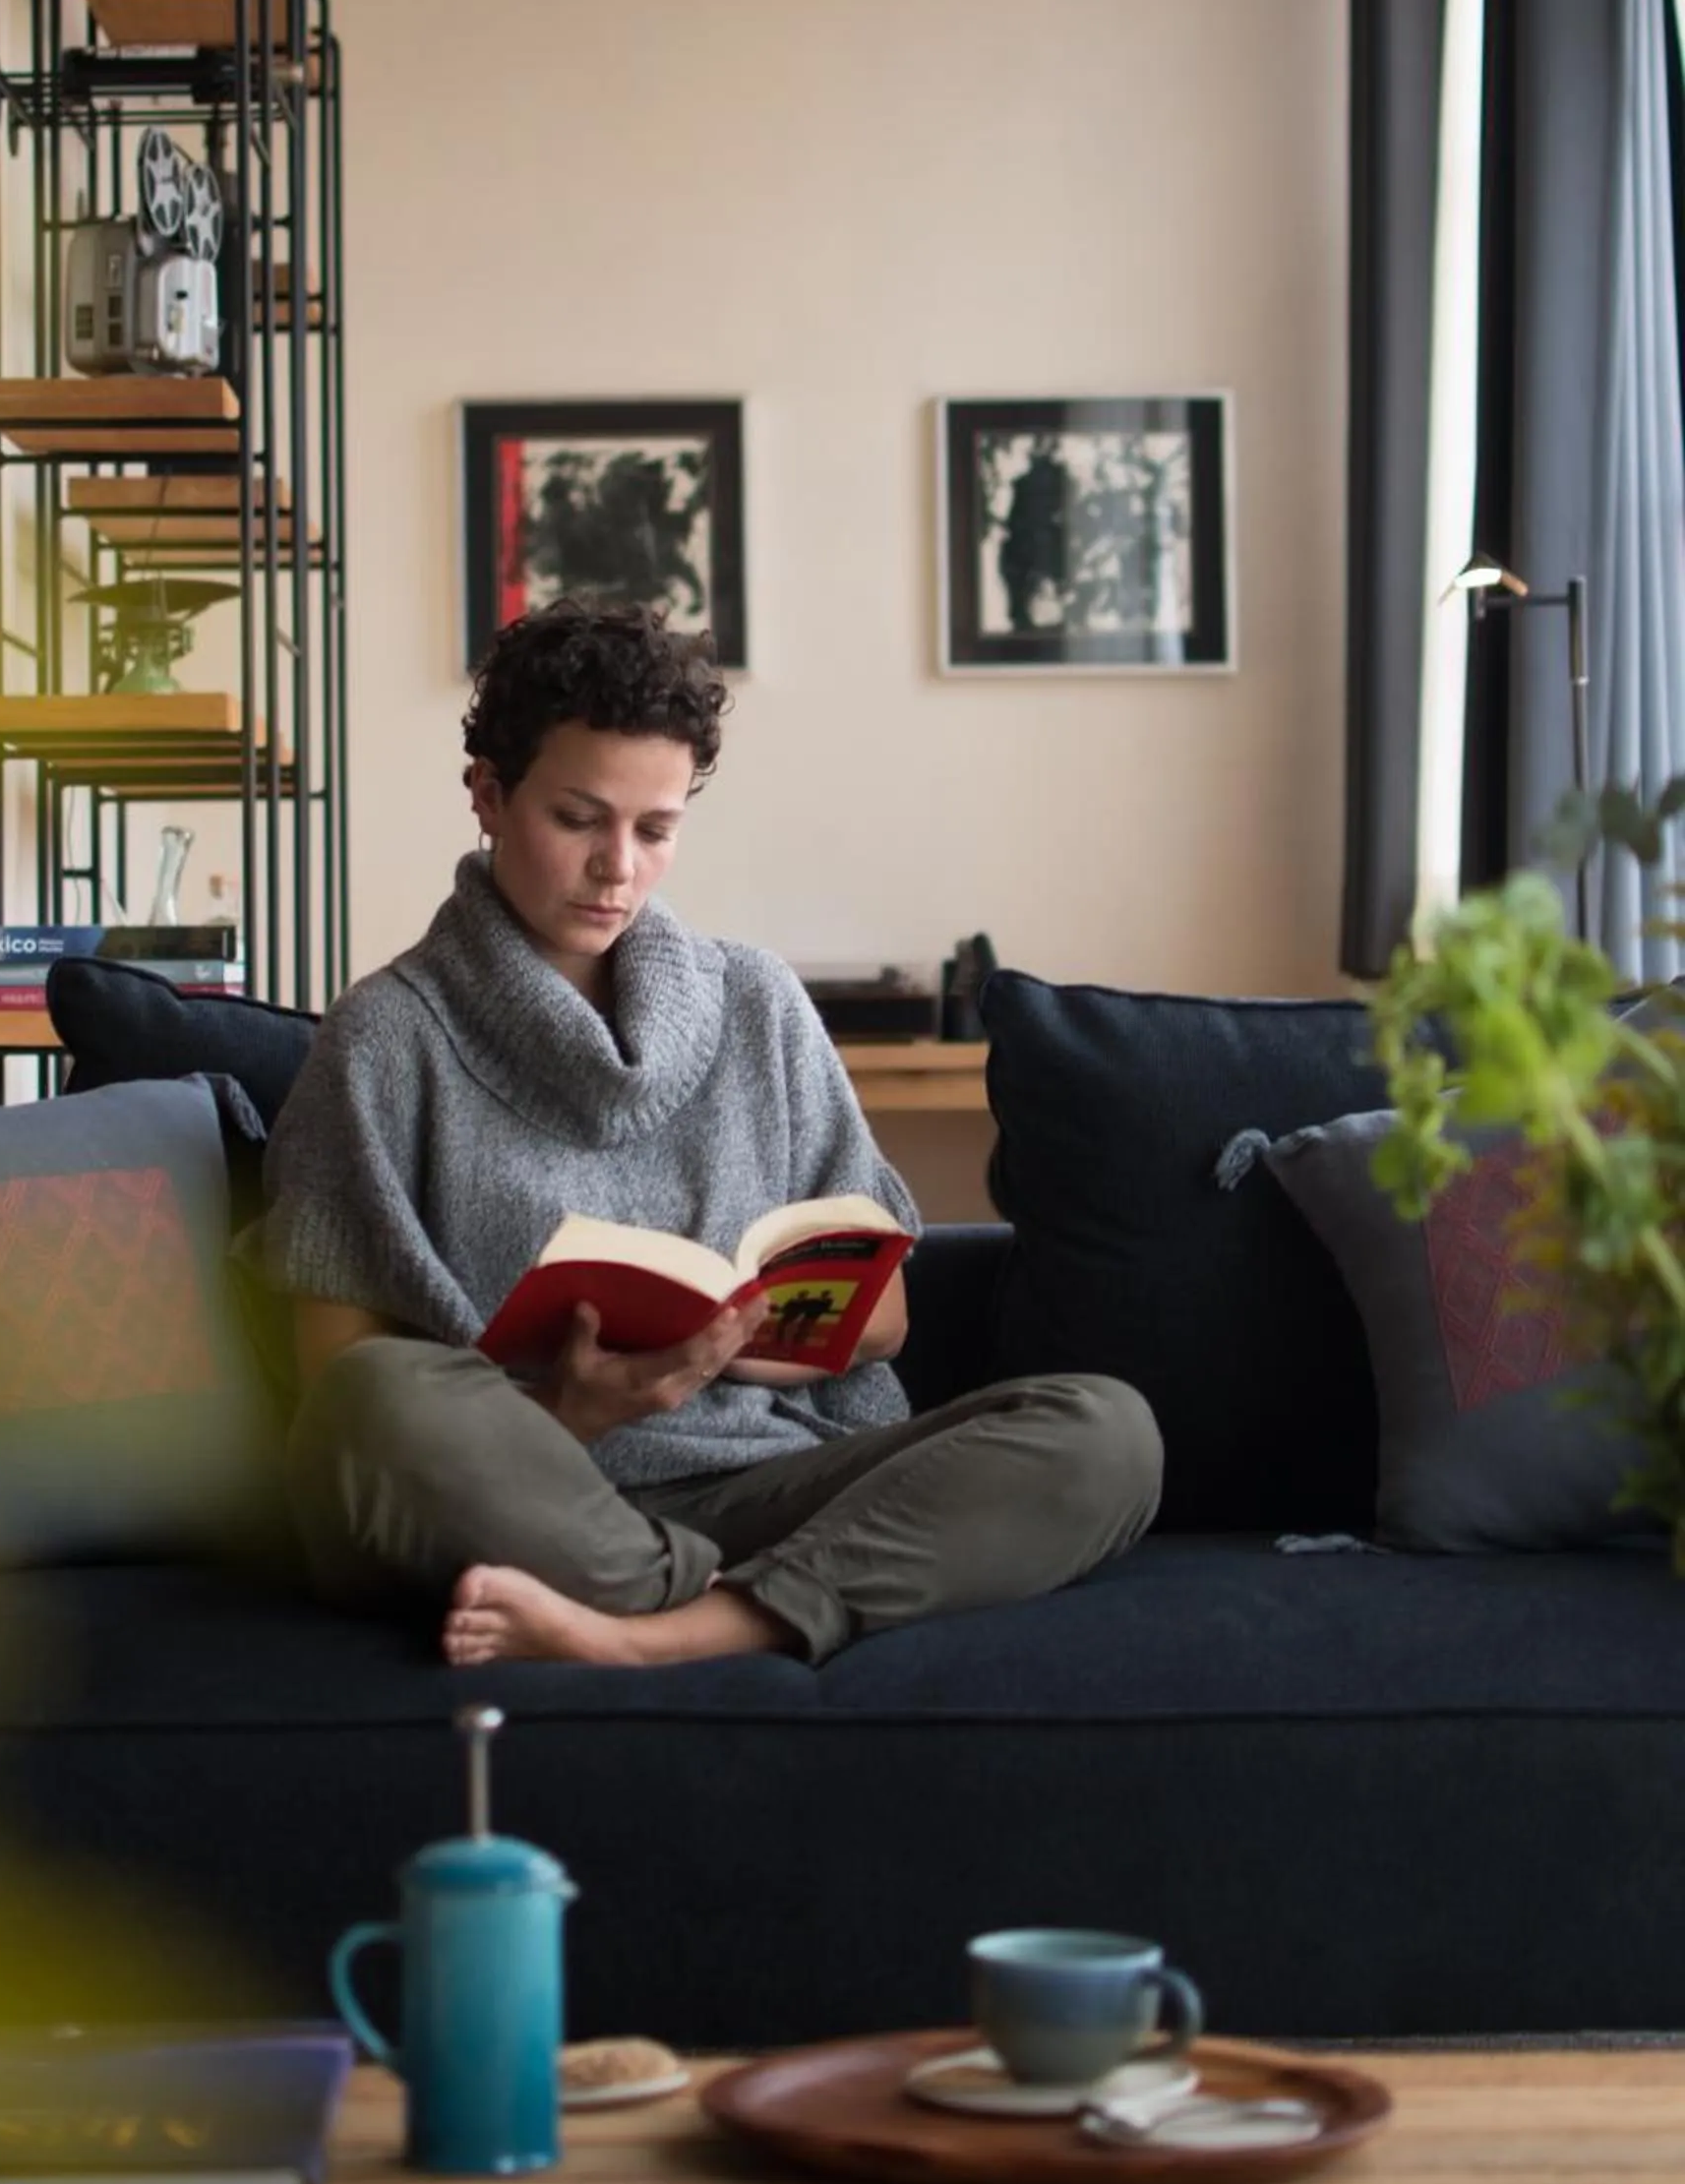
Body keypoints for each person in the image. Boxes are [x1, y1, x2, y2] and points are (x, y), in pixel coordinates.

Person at [253, 597, 1161, 1668]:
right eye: (578, 818)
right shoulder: (382, 1039)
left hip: (768, 1481)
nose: (617, 868)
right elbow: (333, 1381)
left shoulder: (755, 1005)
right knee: (376, 1402)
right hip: (535, 1495)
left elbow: (885, 1317)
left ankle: (655, 1633)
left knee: (1105, 1431)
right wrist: (568, 1411)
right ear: (489, 797)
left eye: (655, 829)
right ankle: (743, 1609)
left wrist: (728, 1348)